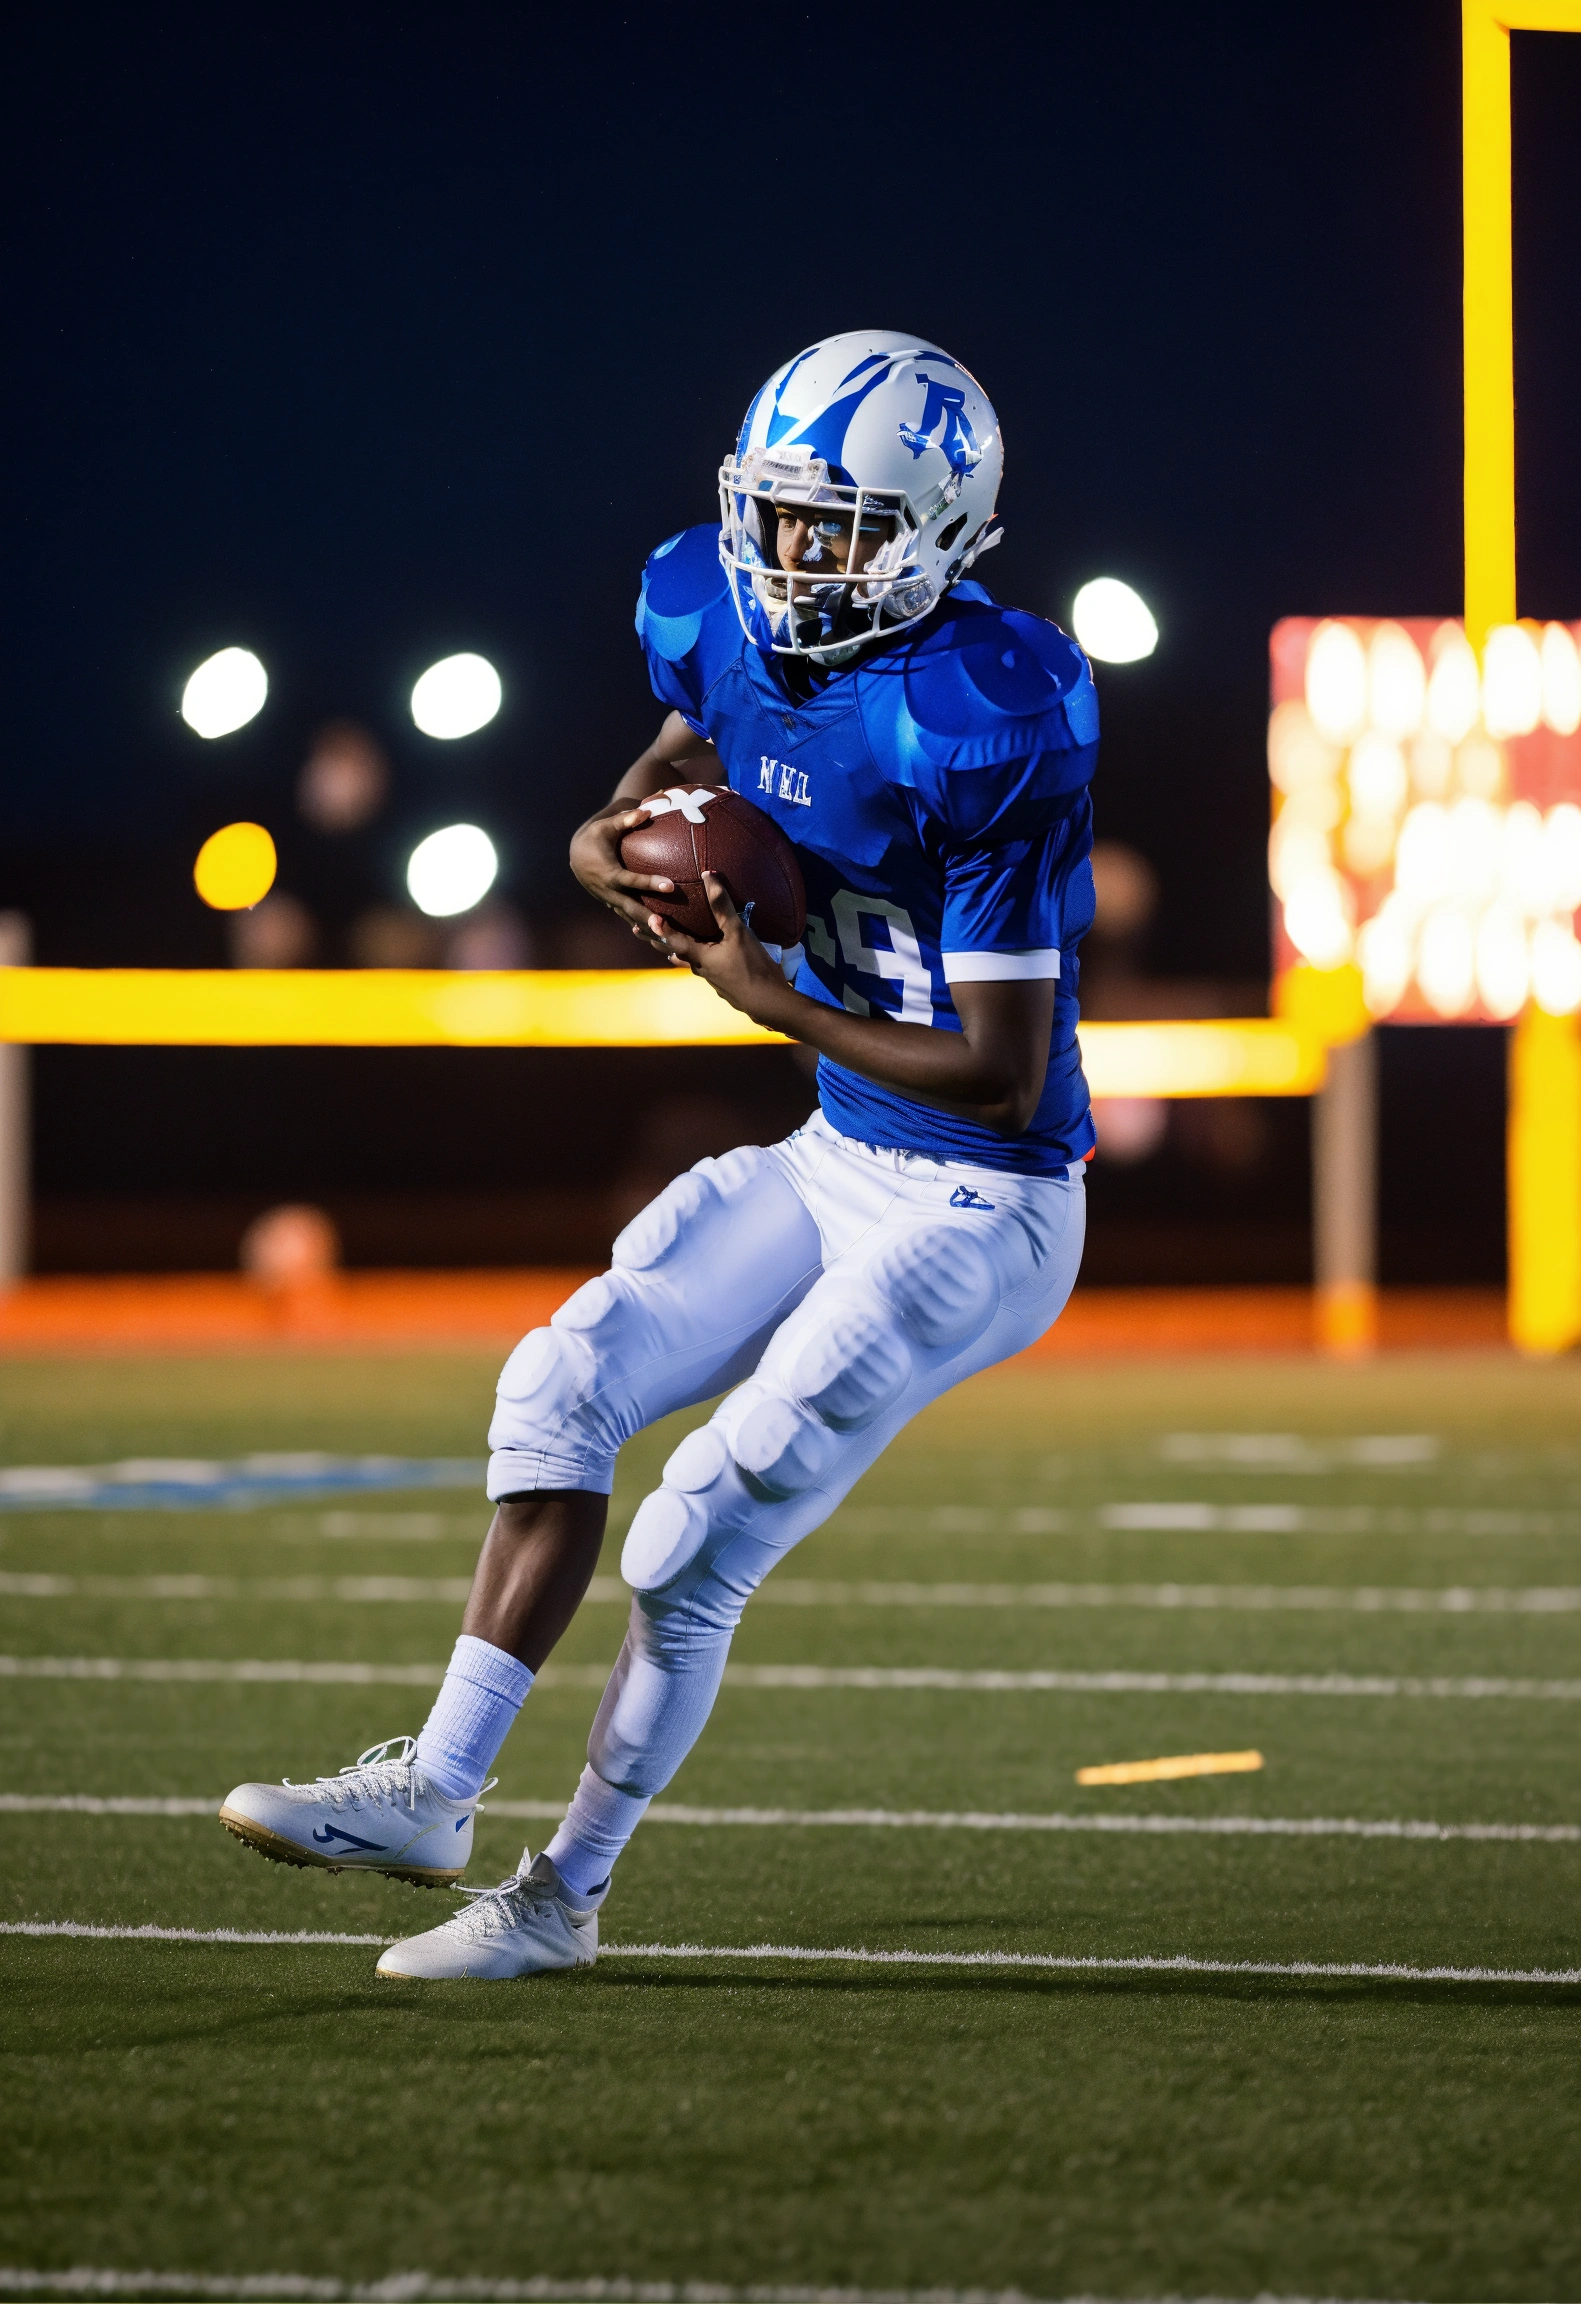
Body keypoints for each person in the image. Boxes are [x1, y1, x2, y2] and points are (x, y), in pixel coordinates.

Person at [219, 331, 1099, 1979]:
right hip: (843, 1152)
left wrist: (767, 996)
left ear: (938, 534)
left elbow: (997, 1076)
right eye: (776, 516)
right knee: (561, 1383)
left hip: (986, 1203)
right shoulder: (720, 623)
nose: (790, 557)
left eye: (836, 529)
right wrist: (614, 854)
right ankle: (431, 1791)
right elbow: (626, 809)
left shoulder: (983, 711)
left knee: (697, 1531)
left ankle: (562, 1898)